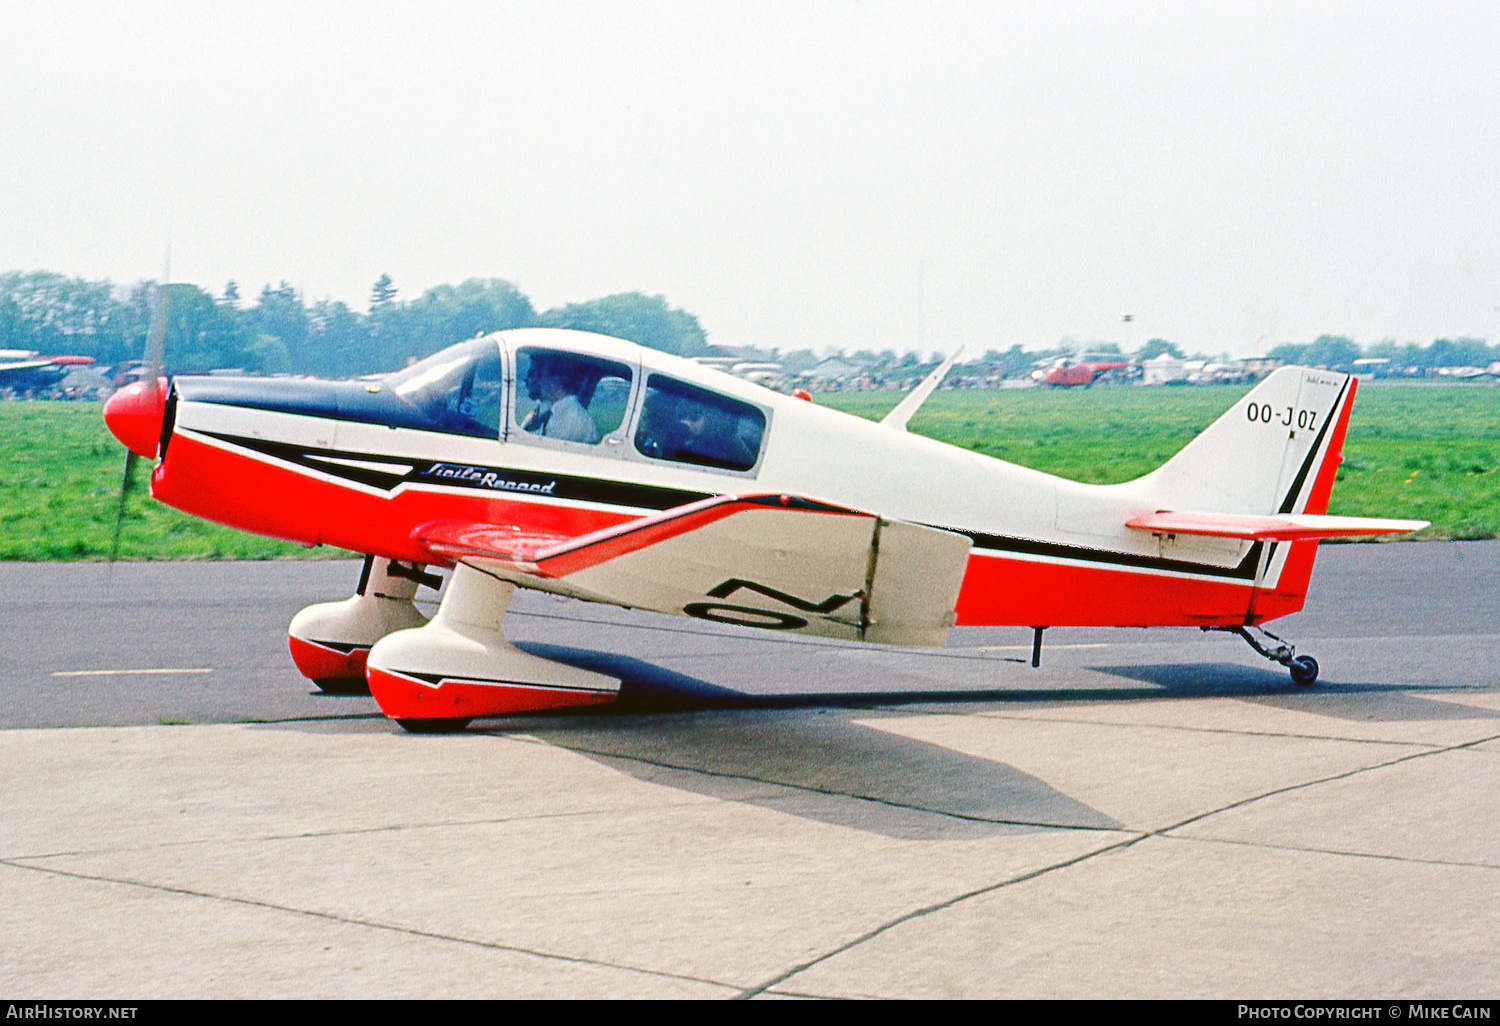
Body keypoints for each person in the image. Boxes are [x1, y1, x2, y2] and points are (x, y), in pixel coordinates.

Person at [520, 354, 600, 444]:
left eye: (537, 375)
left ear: (554, 379)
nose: (527, 380)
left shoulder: (571, 419)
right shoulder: (547, 412)